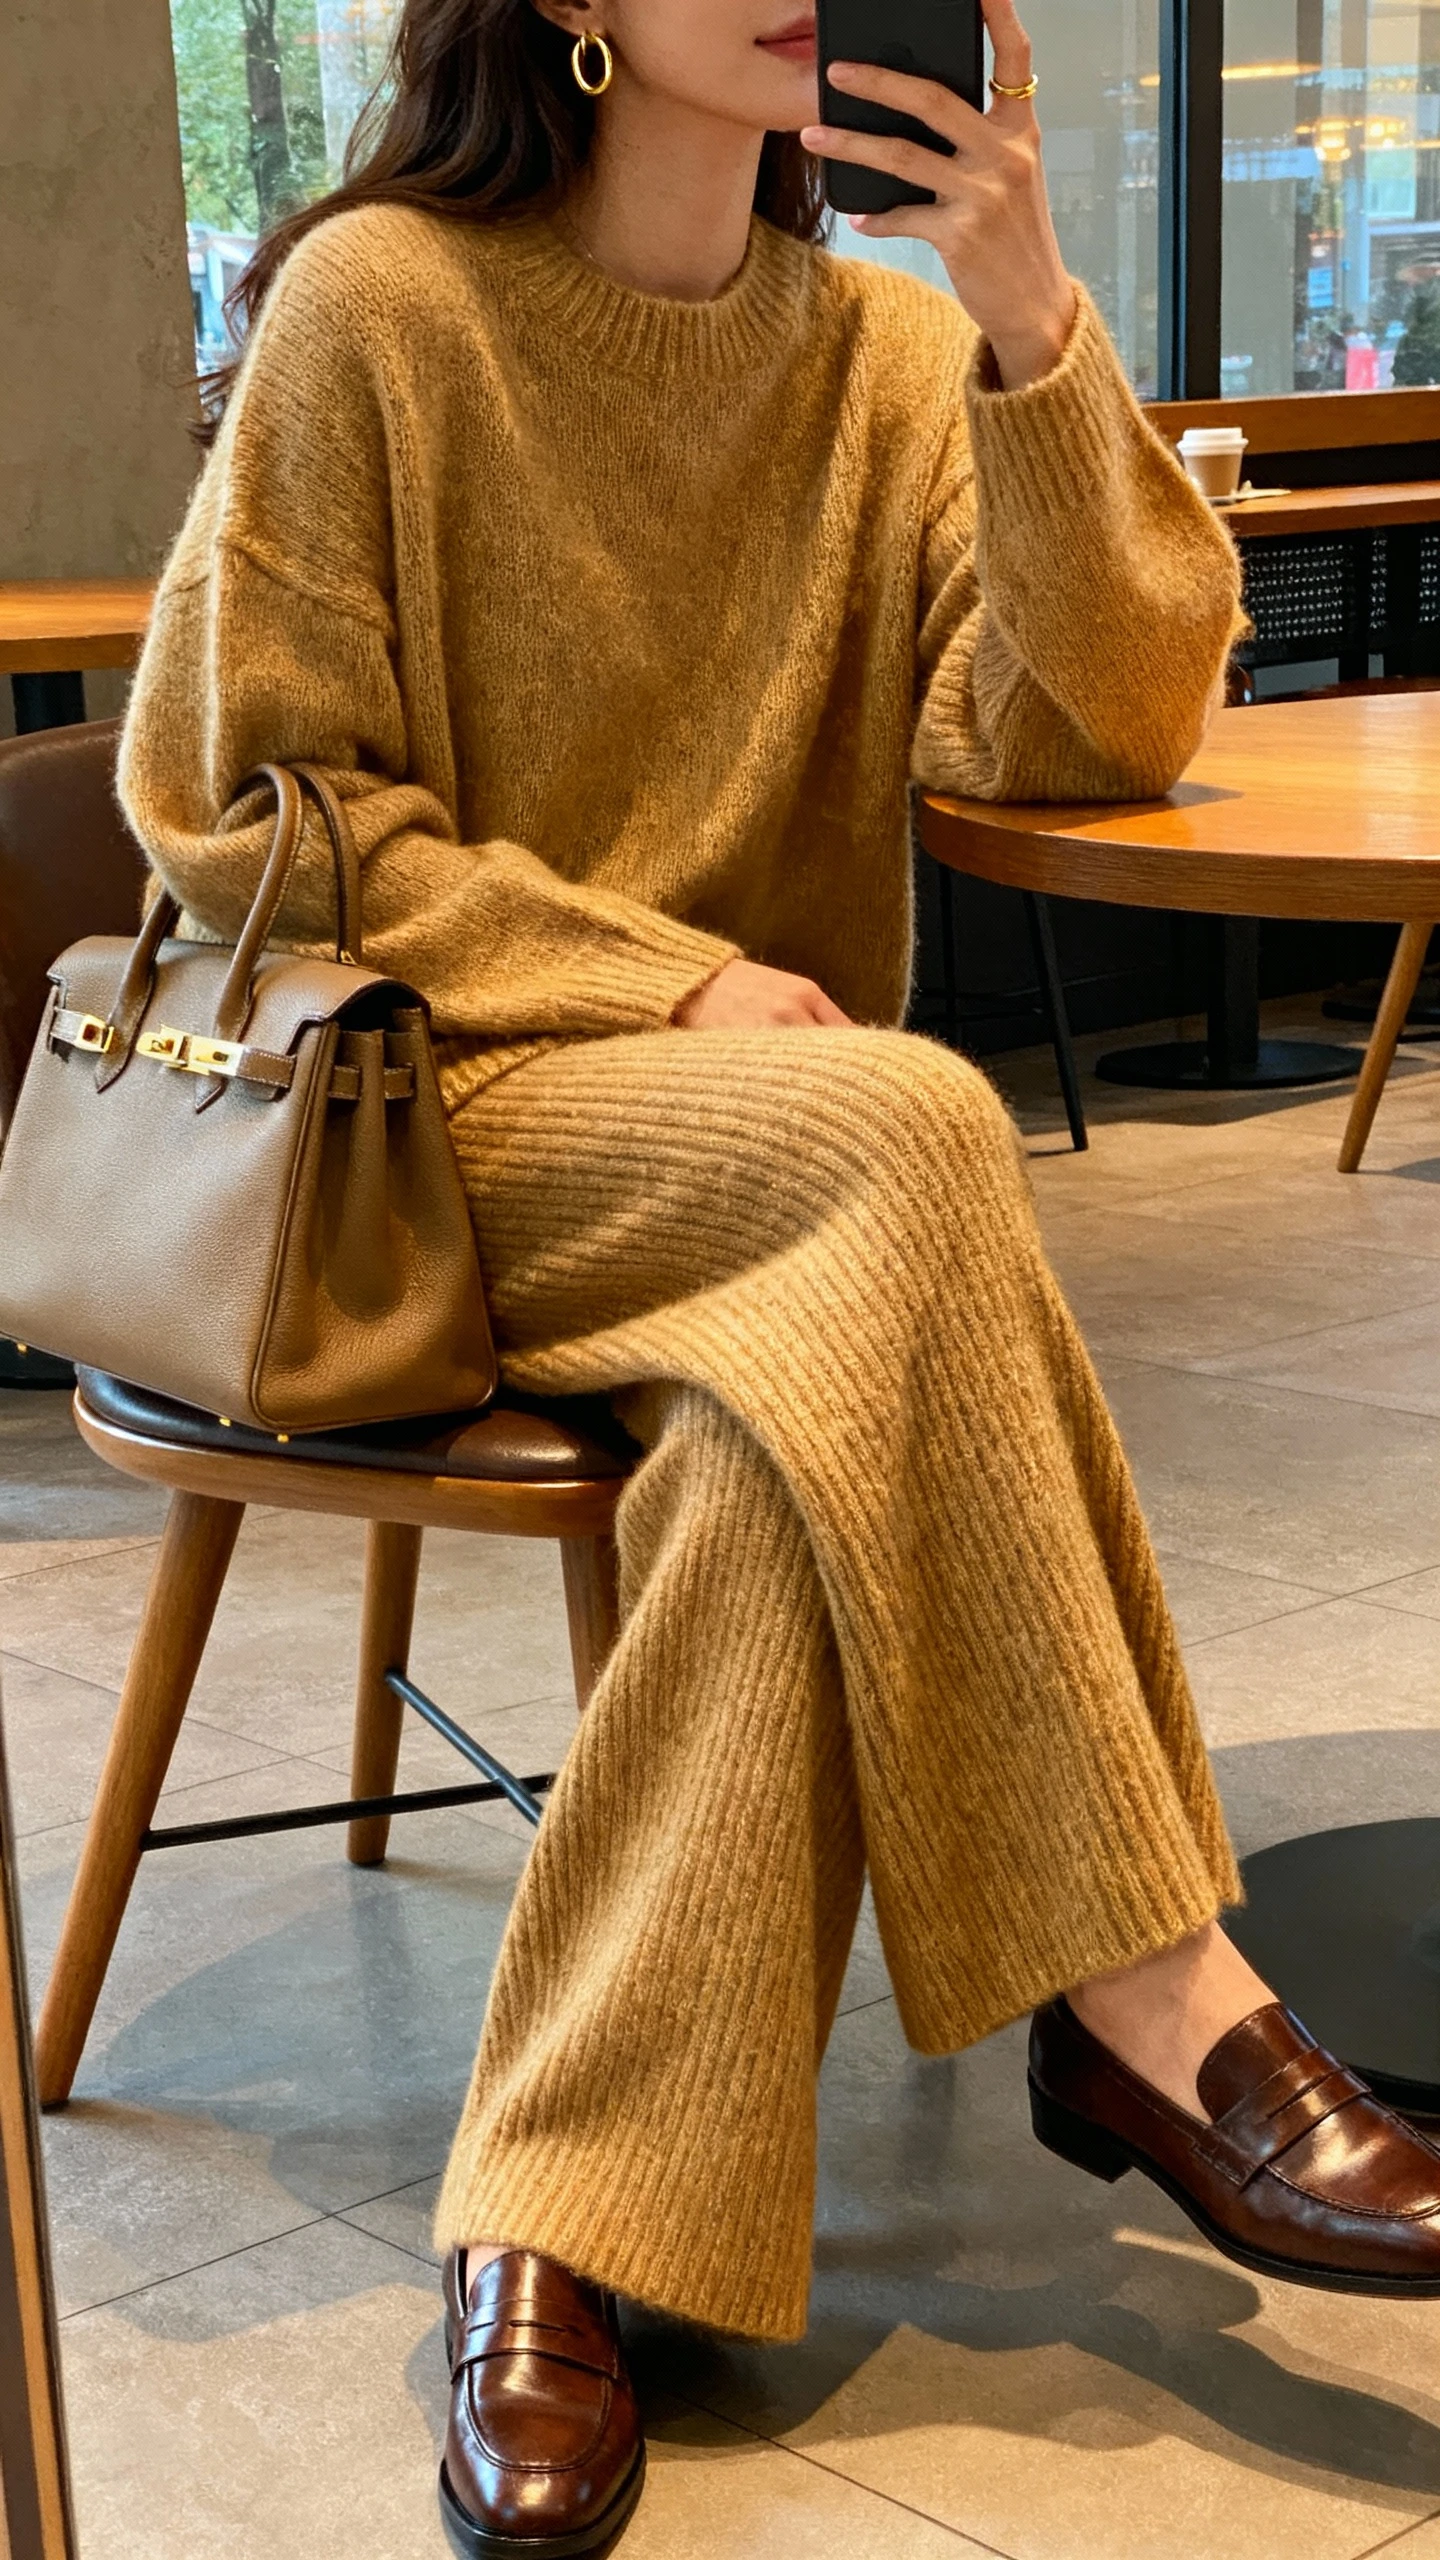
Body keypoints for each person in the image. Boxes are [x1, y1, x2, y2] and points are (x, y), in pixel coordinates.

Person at [118, 0, 1440, 2549]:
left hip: (798, 1189)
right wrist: (664, 979)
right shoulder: (379, 308)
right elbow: (253, 807)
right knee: (914, 1124)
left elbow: (1107, 709)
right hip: (456, 1123)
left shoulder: (874, 360)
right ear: (571, 11)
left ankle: (559, 2225)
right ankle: (1149, 1993)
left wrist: (1037, 313)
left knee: (782, 1421)